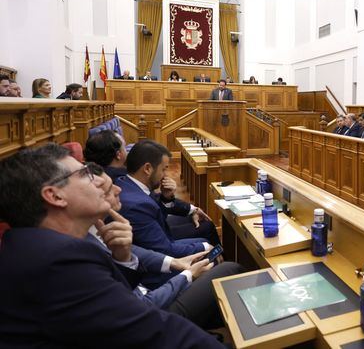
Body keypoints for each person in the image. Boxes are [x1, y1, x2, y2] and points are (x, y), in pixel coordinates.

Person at [0, 144, 224, 348]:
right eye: (85, 174)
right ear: (55, 195)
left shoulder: (45, 244)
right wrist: (185, 274)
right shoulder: (57, 263)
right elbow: (151, 329)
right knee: (229, 276)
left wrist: (123, 256)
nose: (99, 181)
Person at [87, 163, 244, 330]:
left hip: (147, 292)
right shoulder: (82, 252)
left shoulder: (90, 231)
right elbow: (144, 304)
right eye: (109, 189)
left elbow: (134, 249)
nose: (119, 190)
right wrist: (187, 275)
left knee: (210, 258)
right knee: (231, 268)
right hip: (152, 316)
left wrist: (175, 262)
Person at [116, 140, 219, 262]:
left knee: (205, 229)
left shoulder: (126, 182)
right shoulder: (136, 205)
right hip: (156, 267)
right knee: (209, 247)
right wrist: (206, 247)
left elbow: (156, 211)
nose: (165, 175)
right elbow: (165, 251)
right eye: (164, 169)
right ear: (147, 169)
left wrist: (166, 197)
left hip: (158, 243)